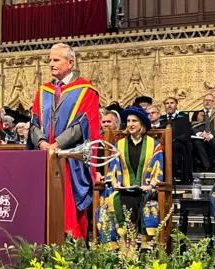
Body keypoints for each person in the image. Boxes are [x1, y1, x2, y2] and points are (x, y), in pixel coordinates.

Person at [27, 43, 100, 239]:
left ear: (70, 62)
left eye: (56, 60)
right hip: (45, 158)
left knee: (68, 210)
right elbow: (34, 123)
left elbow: (83, 126)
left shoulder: (86, 90)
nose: (51, 64)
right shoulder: (43, 91)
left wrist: (56, 145)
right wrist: (42, 144)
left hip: (70, 161)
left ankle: (71, 250)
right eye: (50, 60)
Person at [96, 106, 164, 245]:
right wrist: (114, 183)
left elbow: (158, 170)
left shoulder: (154, 145)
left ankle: (132, 242)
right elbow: (113, 169)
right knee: (112, 201)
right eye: (128, 121)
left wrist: (150, 185)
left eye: (134, 121)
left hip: (145, 189)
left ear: (142, 124)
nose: (130, 124)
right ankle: (123, 243)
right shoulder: (120, 144)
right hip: (123, 188)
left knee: (138, 198)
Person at [158, 97, 192, 184]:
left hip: (179, 144)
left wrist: (174, 139)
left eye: (172, 103)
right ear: (164, 106)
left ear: (176, 105)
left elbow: (187, 133)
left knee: (174, 147)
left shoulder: (183, 117)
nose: (169, 105)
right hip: (164, 144)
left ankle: (173, 172)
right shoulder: (161, 119)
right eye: (167, 103)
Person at [191, 93, 215, 172]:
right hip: (200, 137)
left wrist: (211, 135)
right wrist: (200, 133)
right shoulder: (197, 113)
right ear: (203, 102)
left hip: (214, 136)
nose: (207, 102)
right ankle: (208, 166)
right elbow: (193, 126)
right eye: (206, 100)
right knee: (196, 143)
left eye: (210, 100)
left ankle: (206, 165)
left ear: (213, 102)